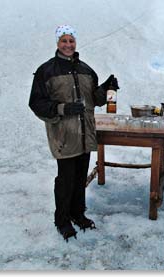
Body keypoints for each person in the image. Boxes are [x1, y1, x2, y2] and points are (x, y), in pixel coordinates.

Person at [29, 25, 119, 242]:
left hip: (85, 134)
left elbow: (94, 100)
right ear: (57, 43)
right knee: (65, 180)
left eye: (71, 41)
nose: (68, 45)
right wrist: (63, 108)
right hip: (64, 135)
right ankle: (62, 220)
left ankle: (78, 213)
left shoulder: (86, 70)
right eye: (64, 41)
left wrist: (106, 88)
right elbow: (37, 103)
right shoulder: (46, 71)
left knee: (79, 179)